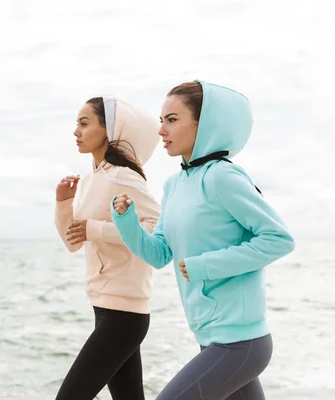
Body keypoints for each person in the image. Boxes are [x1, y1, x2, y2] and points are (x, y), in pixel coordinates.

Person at [111, 80, 295, 400]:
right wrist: (126, 222)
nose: (162, 130)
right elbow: (159, 253)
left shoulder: (223, 177)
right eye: (161, 120)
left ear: (202, 124)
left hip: (240, 342)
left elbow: (278, 238)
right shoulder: (174, 185)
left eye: (172, 119)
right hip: (210, 336)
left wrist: (205, 266)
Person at [54, 96, 162, 400]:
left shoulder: (124, 177)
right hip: (104, 307)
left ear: (109, 129)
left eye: (84, 123)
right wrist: (63, 203)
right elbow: (72, 241)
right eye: (76, 123)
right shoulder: (90, 181)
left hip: (125, 314)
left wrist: (96, 229)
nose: (76, 131)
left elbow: (156, 229)